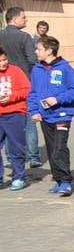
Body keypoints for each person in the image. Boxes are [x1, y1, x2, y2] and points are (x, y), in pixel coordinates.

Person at [28, 36, 74, 196]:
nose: (36, 52)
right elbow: (33, 93)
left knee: (59, 147)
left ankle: (65, 181)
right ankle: (58, 179)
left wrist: (57, 99)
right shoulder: (36, 69)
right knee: (51, 149)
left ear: (49, 51)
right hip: (45, 116)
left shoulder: (65, 68)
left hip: (62, 115)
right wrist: (34, 110)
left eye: (39, 49)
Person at [0, 8, 41, 171]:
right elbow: (32, 60)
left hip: (4, 83)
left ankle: (11, 158)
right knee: (28, 122)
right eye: (24, 17)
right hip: (22, 82)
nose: (26, 20)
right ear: (15, 18)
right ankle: (33, 157)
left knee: (7, 122)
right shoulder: (24, 37)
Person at [0, 49, 31, 191]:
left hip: (15, 114)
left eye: (5, 59)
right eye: (0, 61)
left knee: (16, 148)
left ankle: (19, 177)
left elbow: (26, 89)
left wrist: (11, 97)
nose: (3, 63)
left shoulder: (16, 71)